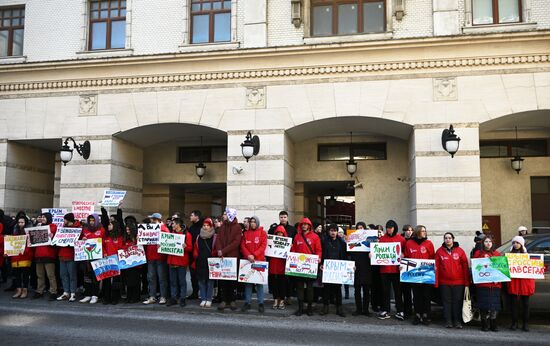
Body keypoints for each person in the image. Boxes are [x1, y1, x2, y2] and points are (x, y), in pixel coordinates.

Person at [435, 232, 469, 329]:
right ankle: (448, 321)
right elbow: (436, 268)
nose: (448, 240)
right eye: (446, 238)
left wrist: (467, 283)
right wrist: (436, 282)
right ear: (444, 240)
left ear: (453, 239)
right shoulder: (439, 252)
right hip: (444, 283)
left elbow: (465, 267)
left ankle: (457, 321)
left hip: (459, 283)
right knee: (446, 302)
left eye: (449, 238)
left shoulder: (460, 251)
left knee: (457, 302)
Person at [291, 217, 322, 316]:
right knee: (299, 287)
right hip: (299, 267)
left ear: (309, 225)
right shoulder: (297, 237)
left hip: (310, 266)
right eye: (302, 224)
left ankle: (309, 308)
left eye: (306, 224)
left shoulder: (315, 237)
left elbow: (318, 250)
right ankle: (300, 308)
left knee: (309, 288)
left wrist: (319, 258)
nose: (304, 225)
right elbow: (294, 250)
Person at [404, 225, 435, 325]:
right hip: (414, 275)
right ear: (417, 232)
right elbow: (407, 257)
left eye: (425, 231)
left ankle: (426, 315)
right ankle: (417, 315)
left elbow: (432, 258)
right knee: (416, 296)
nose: (424, 232)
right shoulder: (409, 243)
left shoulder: (429, 243)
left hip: (426, 275)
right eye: (422, 231)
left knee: (426, 296)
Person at [214, 208, 242, 311]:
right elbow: (218, 239)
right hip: (223, 257)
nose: (223, 215)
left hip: (232, 258)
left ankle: (232, 300)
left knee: (232, 281)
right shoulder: (222, 227)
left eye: (225, 214)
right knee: (223, 280)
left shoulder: (238, 227)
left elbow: (236, 243)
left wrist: (223, 251)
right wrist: (219, 250)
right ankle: (224, 300)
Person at [378, 220, 406, 321]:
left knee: (398, 291)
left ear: (395, 228)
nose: (389, 230)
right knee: (385, 291)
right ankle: (386, 309)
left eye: (391, 228)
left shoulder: (401, 239)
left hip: (396, 270)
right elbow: (377, 252)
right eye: (387, 228)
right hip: (384, 270)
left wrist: (403, 255)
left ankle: (400, 310)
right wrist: (372, 255)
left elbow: (405, 253)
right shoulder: (382, 239)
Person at [473, 236, 502, 332]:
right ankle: (484, 324)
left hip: (495, 285)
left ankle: (494, 324)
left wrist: (498, 278)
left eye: (490, 241)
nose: (488, 243)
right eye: (486, 241)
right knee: (483, 305)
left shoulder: (497, 254)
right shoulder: (478, 254)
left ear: (492, 243)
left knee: (494, 306)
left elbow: (501, 269)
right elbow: (476, 268)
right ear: (483, 243)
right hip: (483, 284)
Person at [240, 216, 268, 313]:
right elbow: (243, 246)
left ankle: (261, 303)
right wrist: (248, 255)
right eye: (251, 222)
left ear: (257, 223)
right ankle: (247, 302)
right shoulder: (246, 233)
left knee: (259, 283)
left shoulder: (263, 233)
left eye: (254, 222)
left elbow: (263, 246)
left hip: (259, 261)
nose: (252, 223)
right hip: (248, 262)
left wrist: (254, 255)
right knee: (248, 283)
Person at [508, 235, 535, 331]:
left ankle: (525, 324)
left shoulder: (528, 255)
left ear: (521, 244)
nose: (515, 244)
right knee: (514, 304)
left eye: (517, 242)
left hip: (525, 282)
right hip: (514, 281)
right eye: (514, 243)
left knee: (526, 304)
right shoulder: (509, 255)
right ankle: (514, 323)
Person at [320, 224, 347, 317]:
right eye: (331, 230)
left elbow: (345, 255)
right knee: (326, 289)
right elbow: (322, 254)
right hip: (328, 268)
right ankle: (325, 307)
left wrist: (347, 266)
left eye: (335, 231)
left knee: (338, 289)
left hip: (338, 269)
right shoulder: (324, 241)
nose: (333, 232)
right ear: (328, 231)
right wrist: (321, 264)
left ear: (337, 232)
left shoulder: (342, 242)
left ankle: (339, 308)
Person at [143, 213, 169, 305]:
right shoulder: (148, 229)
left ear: (156, 220)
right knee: (151, 278)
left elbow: (168, 241)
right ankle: (152, 296)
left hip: (160, 257)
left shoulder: (164, 229)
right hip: (151, 256)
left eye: (152, 219)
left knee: (162, 278)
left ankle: (163, 296)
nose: (150, 221)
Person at [166, 218, 193, 307]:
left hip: (181, 262)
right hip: (172, 261)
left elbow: (190, 248)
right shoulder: (171, 234)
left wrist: (185, 247)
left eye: (173, 223)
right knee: (173, 281)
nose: (171, 225)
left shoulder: (187, 235)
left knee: (182, 281)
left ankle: (182, 298)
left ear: (178, 224)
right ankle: (173, 298)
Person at [32, 212, 58, 301]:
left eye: (44, 217)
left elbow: (56, 239)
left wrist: (52, 236)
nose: (42, 218)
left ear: (48, 218)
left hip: (49, 255)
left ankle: (53, 291)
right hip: (39, 254)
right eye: (42, 217)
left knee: (50, 275)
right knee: (40, 275)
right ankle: (40, 290)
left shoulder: (53, 227)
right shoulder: (38, 227)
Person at [79, 213, 105, 304]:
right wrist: (83, 239)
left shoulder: (102, 230)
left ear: (97, 220)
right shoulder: (85, 230)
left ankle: (95, 295)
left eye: (93, 220)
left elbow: (104, 242)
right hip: (87, 257)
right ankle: (88, 294)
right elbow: (81, 241)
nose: (91, 222)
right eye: (90, 220)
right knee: (87, 276)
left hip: (97, 256)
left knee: (96, 277)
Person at [100, 208, 124, 305]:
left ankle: (115, 298)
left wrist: (119, 209)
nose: (109, 226)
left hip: (116, 261)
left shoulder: (119, 237)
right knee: (106, 280)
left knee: (116, 281)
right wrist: (105, 252)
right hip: (106, 261)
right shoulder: (106, 236)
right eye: (109, 224)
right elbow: (102, 246)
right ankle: (106, 298)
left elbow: (122, 249)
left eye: (110, 224)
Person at [350, 222, 373, 316]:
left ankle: (366, 310)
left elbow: (376, 252)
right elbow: (350, 253)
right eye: (358, 228)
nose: (360, 229)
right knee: (357, 290)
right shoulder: (353, 241)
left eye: (362, 228)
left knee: (367, 291)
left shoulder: (370, 241)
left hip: (367, 268)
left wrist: (372, 254)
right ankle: (358, 309)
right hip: (356, 268)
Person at [57, 213, 81, 302]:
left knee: (72, 275)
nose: (64, 221)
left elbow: (80, 241)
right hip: (62, 255)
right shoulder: (63, 229)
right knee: (63, 275)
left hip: (72, 255)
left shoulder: (78, 229)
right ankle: (66, 292)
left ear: (68, 220)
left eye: (65, 219)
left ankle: (73, 293)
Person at [193, 218, 216, 308]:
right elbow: (196, 248)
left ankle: (209, 298)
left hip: (211, 262)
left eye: (207, 225)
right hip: (201, 261)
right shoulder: (199, 236)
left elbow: (215, 247)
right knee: (201, 281)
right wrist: (196, 256)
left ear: (211, 226)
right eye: (204, 225)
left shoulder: (214, 236)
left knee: (210, 282)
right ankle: (203, 298)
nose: (206, 227)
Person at [11, 217, 33, 299]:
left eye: (22, 222)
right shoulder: (15, 232)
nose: (20, 224)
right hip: (15, 257)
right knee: (17, 275)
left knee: (25, 275)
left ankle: (25, 290)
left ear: (26, 223)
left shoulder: (28, 233)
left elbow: (30, 245)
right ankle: (19, 290)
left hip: (25, 257)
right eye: (19, 222)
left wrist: (23, 250)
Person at [121, 221, 142, 304]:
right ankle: (129, 296)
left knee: (136, 280)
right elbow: (122, 248)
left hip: (137, 264)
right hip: (128, 263)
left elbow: (141, 248)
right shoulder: (125, 238)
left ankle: (136, 297)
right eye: (126, 230)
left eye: (129, 230)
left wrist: (137, 241)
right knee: (128, 281)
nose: (128, 231)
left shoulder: (137, 238)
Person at [269, 225, 288, 310]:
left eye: (281, 233)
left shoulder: (287, 243)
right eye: (278, 233)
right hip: (274, 265)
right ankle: (276, 299)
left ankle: (282, 300)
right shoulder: (271, 241)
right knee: (274, 283)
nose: (280, 235)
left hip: (283, 265)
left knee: (282, 284)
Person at [187, 210, 203, 300]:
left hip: (199, 254)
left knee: (200, 275)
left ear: (197, 217)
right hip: (191, 254)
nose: (190, 217)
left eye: (192, 215)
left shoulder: (202, 227)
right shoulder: (192, 227)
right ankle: (195, 292)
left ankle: (202, 293)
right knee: (193, 275)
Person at [401, 224, 414, 318]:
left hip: (412, 267)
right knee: (405, 291)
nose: (409, 232)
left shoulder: (414, 240)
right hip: (402, 268)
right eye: (407, 230)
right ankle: (406, 310)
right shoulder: (401, 240)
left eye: (411, 230)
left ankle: (413, 310)